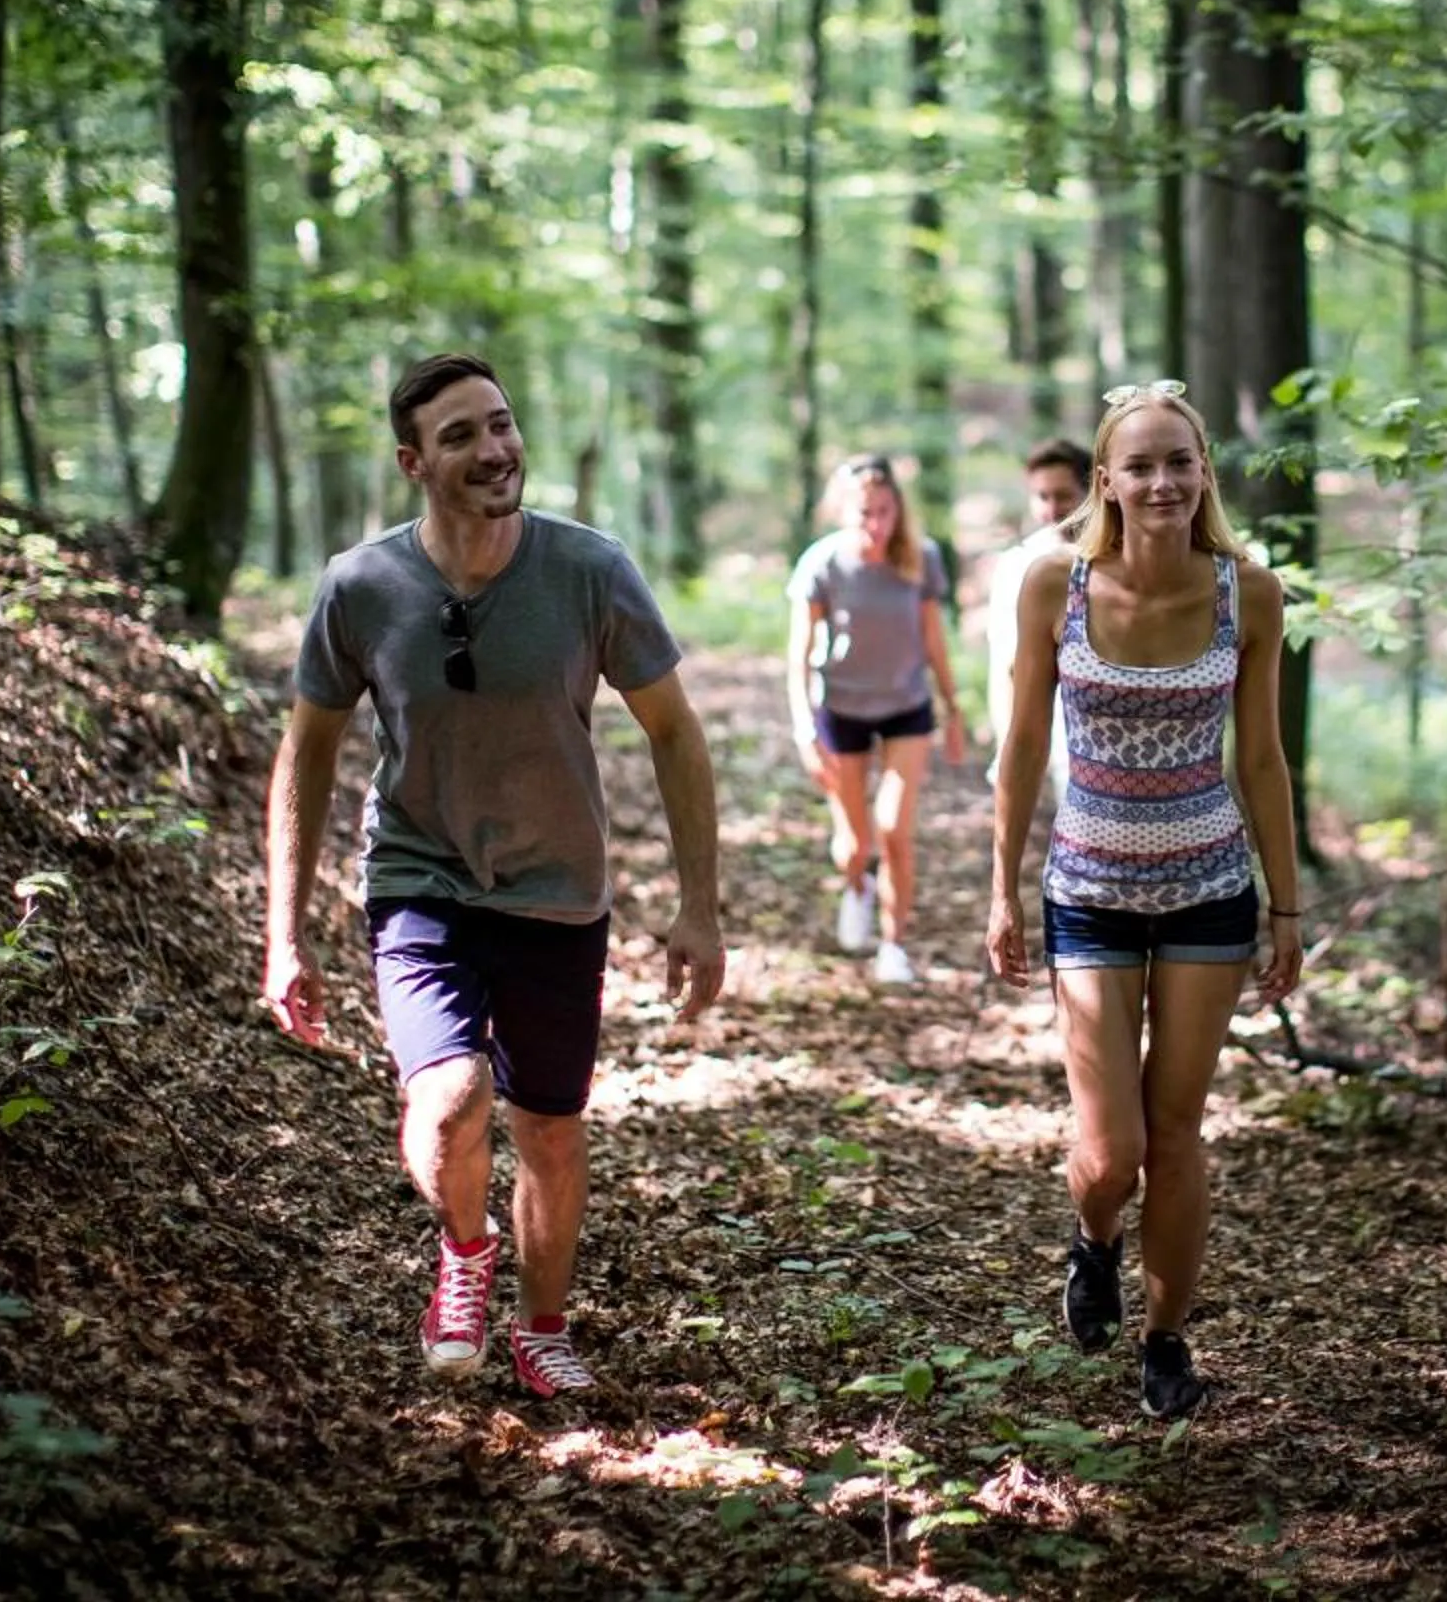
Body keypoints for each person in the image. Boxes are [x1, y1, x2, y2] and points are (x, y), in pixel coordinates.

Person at [262, 353, 725, 1399]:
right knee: (451, 1098)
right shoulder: (362, 586)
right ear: (413, 463)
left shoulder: (589, 569)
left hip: (559, 887)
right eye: (461, 435)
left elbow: (674, 731)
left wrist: (699, 908)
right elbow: (308, 753)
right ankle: (465, 1252)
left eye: (502, 424)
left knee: (550, 1128)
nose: (494, 450)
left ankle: (543, 1329)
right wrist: (284, 934)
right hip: (420, 880)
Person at [985, 379, 1301, 1420]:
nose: (1162, 481)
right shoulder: (1055, 586)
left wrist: (1286, 907)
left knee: (1175, 1135)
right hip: (1089, 891)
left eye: (1179, 461)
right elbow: (1021, 745)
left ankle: (1167, 1341)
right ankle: (1094, 1240)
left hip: (1210, 889)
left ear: (1203, 472)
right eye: (1140, 465)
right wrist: (1002, 890)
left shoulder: (1249, 594)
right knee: (1112, 1150)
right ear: (1106, 481)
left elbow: (1262, 758)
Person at [786, 454, 968, 985]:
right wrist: (804, 729)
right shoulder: (822, 564)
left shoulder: (921, 558)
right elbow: (798, 656)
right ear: (843, 511)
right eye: (865, 512)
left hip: (906, 707)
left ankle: (894, 945)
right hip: (840, 709)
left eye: (886, 511)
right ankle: (857, 885)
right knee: (854, 844)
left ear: (898, 509)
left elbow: (933, 639)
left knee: (893, 829)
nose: (876, 523)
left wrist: (953, 708)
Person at [983, 437, 1090, 787]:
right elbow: (1004, 663)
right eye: (1042, 497)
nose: (1053, 508)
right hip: (1048, 727)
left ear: (1090, 491)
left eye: (1063, 495)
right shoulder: (1016, 565)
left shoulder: (1120, 558)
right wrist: (1006, 745)